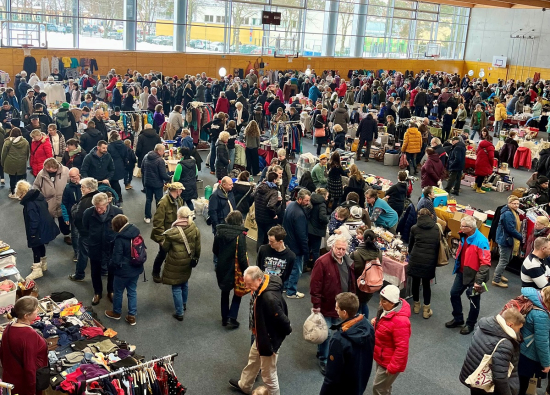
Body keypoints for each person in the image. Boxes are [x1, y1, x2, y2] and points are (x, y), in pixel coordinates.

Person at [229, 266, 292, 395]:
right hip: (260, 334)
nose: (247, 287)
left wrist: (274, 341)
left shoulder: (269, 298)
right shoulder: (264, 283)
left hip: (268, 340)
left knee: (268, 374)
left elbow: (285, 323)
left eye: (249, 284)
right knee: (253, 359)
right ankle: (245, 385)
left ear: (258, 279)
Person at [311, 236, 356, 375]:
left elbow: (350, 282)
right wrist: (316, 304)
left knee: (328, 331)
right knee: (328, 334)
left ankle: (321, 352)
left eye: (343, 249)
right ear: (332, 247)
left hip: (341, 305)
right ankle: (324, 359)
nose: (340, 251)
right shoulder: (322, 262)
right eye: (338, 248)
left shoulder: (348, 261)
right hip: (326, 304)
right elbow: (315, 284)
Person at [320, 292, 374, 395]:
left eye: (337, 308)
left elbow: (332, 375)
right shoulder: (368, 326)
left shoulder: (338, 340)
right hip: (361, 379)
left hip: (343, 387)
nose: (335, 310)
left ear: (344, 312)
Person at [459, 308, 524, 395]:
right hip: (485, 385)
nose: (518, 331)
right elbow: (500, 377)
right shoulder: (504, 344)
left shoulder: (483, 324)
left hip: (473, 375)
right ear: (510, 324)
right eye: (518, 328)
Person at [446, 215, 491, 335]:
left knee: (474, 301)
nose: (460, 227)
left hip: (475, 276)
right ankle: (458, 318)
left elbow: (486, 263)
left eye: (463, 226)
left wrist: (478, 281)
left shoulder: (482, 241)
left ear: (471, 228)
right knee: (454, 294)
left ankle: (470, 324)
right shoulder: (463, 235)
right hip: (462, 272)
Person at [0, 296, 48, 395]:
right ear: (26, 315)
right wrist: (32, 391)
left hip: (11, 377)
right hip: (25, 383)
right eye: (35, 309)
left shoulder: (8, 327)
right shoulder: (29, 335)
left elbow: (2, 355)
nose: (38, 310)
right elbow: (29, 367)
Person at [82, 192, 123, 305]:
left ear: (107, 203)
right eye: (96, 207)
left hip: (112, 246)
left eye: (100, 207)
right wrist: (92, 238)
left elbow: (121, 229)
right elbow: (85, 228)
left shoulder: (117, 212)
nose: (98, 210)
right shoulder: (88, 212)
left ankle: (111, 291)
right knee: (95, 271)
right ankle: (97, 292)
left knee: (112, 271)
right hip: (95, 246)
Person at [161, 206, 201, 321]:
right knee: (184, 282)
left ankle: (179, 313)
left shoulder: (172, 232)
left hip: (175, 262)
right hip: (188, 260)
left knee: (176, 287)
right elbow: (198, 247)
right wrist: (196, 258)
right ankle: (184, 304)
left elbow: (165, 248)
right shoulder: (195, 228)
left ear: (178, 216)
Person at [371, 285, 411, 395]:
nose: (380, 303)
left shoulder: (401, 322)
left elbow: (402, 348)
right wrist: (377, 322)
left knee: (378, 388)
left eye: (384, 301)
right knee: (384, 386)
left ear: (392, 303)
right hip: (381, 355)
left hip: (389, 361)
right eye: (380, 299)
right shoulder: (384, 309)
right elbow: (386, 325)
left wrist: (393, 367)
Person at [104, 214, 143, 326]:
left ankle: (116, 312)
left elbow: (116, 258)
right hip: (136, 268)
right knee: (132, 291)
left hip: (123, 271)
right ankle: (132, 315)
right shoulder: (136, 232)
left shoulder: (120, 239)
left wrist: (110, 267)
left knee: (118, 291)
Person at [16, 180, 60, 280]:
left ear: (22, 193)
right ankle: (43, 264)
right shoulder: (38, 196)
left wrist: (32, 234)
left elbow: (33, 220)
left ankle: (37, 269)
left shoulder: (29, 204)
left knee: (35, 246)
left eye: (19, 195)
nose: (19, 198)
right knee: (41, 244)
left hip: (38, 228)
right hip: (45, 225)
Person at [213, 211, 248, 328]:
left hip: (222, 267)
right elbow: (242, 257)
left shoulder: (219, 232)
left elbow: (215, 250)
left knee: (224, 293)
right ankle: (232, 317)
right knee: (238, 292)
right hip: (236, 269)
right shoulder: (240, 236)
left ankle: (224, 318)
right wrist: (246, 271)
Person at [408, 208, 440, 319]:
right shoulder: (436, 228)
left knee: (415, 283)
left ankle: (416, 306)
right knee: (426, 285)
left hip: (416, 259)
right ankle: (426, 310)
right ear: (430, 216)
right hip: (429, 260)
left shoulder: (414, 228)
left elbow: (410, 246)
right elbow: (437, 245)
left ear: (419, 216)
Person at [517, 286, 550, 395]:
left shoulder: (534, 297)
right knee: (522, 383)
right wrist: (546, 364)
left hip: (521, 343)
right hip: (527, 352)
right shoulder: (542, 315)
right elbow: (541, 342)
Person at [150, 182, 184, 282]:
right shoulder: (163, 203)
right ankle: (155, 272)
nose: (182, 191)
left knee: (174, 253)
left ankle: (170, 271)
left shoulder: (179, 199)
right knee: (162, 254)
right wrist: (161, 239)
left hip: (175, 233)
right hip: (166, 235)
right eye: (181, 189)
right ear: (177, 191)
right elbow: (157, 222)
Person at [68, 177, 99, 282]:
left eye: (83, 187)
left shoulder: (85, 201)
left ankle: (79, 274)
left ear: (89, 189)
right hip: (98, 232)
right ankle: (104, 270)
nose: (81, 188)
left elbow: (77, 216)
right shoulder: (100, 197)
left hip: (85, 233)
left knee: (83, 254)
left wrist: (73, 208)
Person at [282, 188, 311, 299]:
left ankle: (285, 286)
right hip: (296, 247)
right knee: (296, 269)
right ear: (299, 199)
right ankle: (291, 291)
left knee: (288, 267)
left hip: (288, 242)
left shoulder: (290, 205)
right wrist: (306, 251)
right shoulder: (299, 214)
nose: (308, 203)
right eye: (306, 201)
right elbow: (302, 235)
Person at [33, 158, 70, 243]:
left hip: (62, 200)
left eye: (51, 168)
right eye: (47, 168)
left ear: (56, 167)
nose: (48, 170)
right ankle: (48, 236)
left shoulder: (65, 171)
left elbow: (70, 182)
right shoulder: (41, 174)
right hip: (48, 201)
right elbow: (36, 186)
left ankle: (66, 235)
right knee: (48, 221)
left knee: (64, 220)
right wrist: (40, 197)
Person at [492, 195, 523, 288]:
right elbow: (510, 229)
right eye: (514, 203)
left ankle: (499, 273)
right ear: (509, 203)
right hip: (505, 239)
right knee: (504, 260)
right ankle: (496, 279)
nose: (516, 205)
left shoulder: (512, 212)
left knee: (508, 259)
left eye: (517, 204)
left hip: (506, 239)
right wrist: (521, 237)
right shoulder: (508, 214)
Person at [350, 229, 382, 318]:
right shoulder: (379, 253)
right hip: (372, 284)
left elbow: (350, 269)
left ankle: (359, 326)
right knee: (363, 304)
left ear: (363, 239)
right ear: (374, 240)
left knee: (357, 307)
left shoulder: (355, 254)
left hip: (358, 285)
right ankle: (366, 323)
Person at [142, 143, 171, 223]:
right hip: (157, 184)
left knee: (148, 199)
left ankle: (147, 217)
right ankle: (159, 217)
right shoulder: (160, 160)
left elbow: (142, 169)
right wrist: (169, 178)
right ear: (159, 151)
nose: (164, 153)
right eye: (163, 151)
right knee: (159, 201)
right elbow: (163, 174)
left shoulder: (146, 157)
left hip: (147, 182)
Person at [254, 172, 282, 251]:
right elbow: (270, 205)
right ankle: (266, 254)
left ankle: (258, 253)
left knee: (260, 236)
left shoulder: (260, 187)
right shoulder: (274, 192)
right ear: (274, 180)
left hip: (258, 217)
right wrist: (274, 215)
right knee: (268, 238)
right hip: (268, 219)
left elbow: (252, 195)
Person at [1, 128, 29, 199]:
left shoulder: (7, 142)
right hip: (21, 162)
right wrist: (25, 160)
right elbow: (27, 153)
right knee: (21, 178)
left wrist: (2, 162)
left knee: (12, 177)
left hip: (11, 162)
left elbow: (3, 154)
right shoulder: (25, 142)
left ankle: (14, 193)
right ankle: (21, 193)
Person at [61, 168, 82, 261]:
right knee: (75, 235)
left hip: (86, 215)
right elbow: (63, 203)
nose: (71, 179)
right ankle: (77, 253)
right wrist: (66, 217)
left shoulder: (85, 185)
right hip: (73, 216)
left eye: (73, 176)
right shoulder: (68, 187)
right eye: (70, 177)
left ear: (79, 175)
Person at [172, 147, 198, 213]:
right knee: (189, 201)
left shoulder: (180, 165)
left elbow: (176, 178)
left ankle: (181, 216)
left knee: (181, 203)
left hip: (182, 187)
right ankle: (192, 214)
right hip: (192, 186)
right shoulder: (194, 163)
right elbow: (196, 174)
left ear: (182, 155)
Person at [308, 188, 329, 265]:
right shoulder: (322, 204)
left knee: (308, 248)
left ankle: (306, 265)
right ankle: (316, 266)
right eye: (327, 196)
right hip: (317, 230)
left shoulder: (311, 201)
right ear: (323, 196)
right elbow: (322, 217)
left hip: (309, 228)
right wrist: (327, 221)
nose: (327, 198)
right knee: (316, 251)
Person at [106, 131, 128, 203]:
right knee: (115, 182)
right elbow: (125, 156)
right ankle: (118, 196)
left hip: (112, 165)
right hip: (120, 164)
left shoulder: (109, 146)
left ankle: (116, 197)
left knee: (113, 182)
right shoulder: (123, 145)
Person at [474, 130, 494, 194]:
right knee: (482, 175)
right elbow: (491, 157)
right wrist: (492, 164)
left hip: (478, 161)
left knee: (478, 174)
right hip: (485, 163)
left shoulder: (481, 144)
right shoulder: (490, 147)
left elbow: (477, 152)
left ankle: (475, 185)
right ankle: (479, 188)